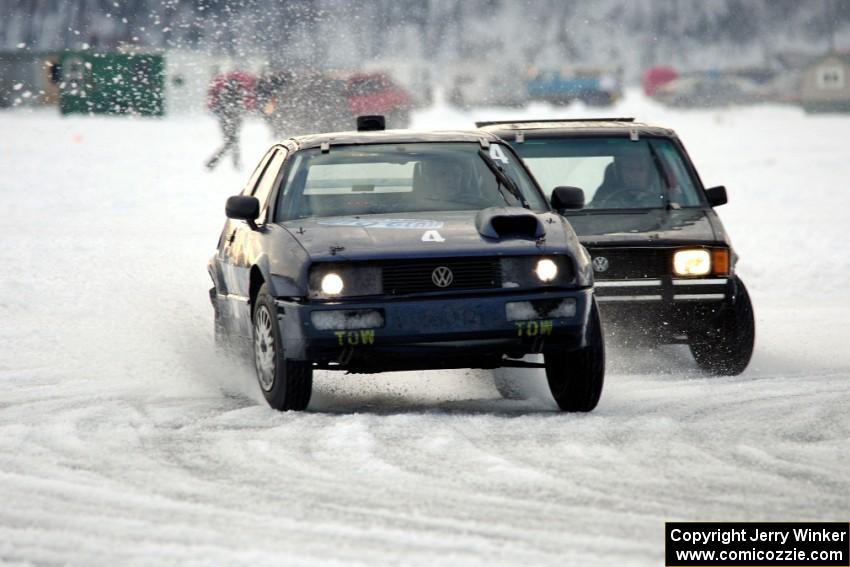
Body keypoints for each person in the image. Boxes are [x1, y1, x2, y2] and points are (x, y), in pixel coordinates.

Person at [205, 71, 256, 171]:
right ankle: (216, 162)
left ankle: (230, 163)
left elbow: (217, 105)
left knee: (231, 141)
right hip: (235, 118)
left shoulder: (223, 92)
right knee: (233, 141)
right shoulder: (240, 92)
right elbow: (246, 104)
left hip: (225, 118)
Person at [591, 147, 665, 208]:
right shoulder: (603, 198)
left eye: (641, 169)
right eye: (629, 169)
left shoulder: (665, 198)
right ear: (619, 173)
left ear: (650, 173)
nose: (635, 175)